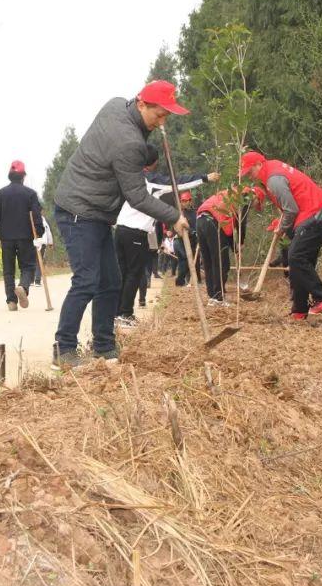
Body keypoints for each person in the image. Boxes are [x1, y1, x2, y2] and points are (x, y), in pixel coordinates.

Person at [51, 80, 192, 369]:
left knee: (111, 282)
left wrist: (146, 144)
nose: (162, 121)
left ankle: (104, 347)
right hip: (79, 210)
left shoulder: (117, 104)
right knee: (87, 280)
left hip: (97, 212)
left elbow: (130, 137)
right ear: (141, 103)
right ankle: (64, 348)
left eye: (167, 115)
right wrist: (174, 216)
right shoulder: (128, 143)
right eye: (159, 114)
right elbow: (137, 196)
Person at [114, 146, 217, 328]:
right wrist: (204, 178)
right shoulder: (152, 181)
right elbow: (178, 183)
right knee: (133, 274)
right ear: (153, 163)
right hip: (135, 231)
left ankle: (116, 313)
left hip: (120, 229)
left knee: (123, 273)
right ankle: (125, 314)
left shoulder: (131, 175)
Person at [240, 151, 322, 320]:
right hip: (311, 213)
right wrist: (282, 222)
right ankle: (299, 310)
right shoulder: (271, 170)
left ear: (259, 164)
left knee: (296, 257)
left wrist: (282, 227)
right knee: (301, 261)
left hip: (317, 212)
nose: (250, 177)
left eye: (250, 172)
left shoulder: (273, 179)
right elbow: (289, 206)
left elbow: (291, 209)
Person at [0, 160, 45, 311]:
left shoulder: (0, 194)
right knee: (28, 266)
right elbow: (37, 216)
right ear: (23, 176)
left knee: (8, 270)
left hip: (6, 237)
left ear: (10, 175)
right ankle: (23, 287)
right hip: (25, 237)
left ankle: (11, 301)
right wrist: (39, 235)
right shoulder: (30, 194)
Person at [173, 191, 199, 287]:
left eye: (186, 200)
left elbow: (194, 228)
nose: (185, 203)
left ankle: (186, 280)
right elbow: (175, 229)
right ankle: (180, 281)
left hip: (192, 240)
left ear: (190, 201)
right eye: (183, 201)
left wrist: (190, 229)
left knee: (189, 261)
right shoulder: (178, 213)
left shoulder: (194, 213)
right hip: (179, 241)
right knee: (184, 259)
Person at [32, 215, 53, 286]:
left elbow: (48, 231)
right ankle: (34, 280)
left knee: (35, 261)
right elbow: (48, 232)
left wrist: (50, 242)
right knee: (37, 261)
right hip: (35, 242)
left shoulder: (42, 220)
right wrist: (50, 242)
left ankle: (35, 280)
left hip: (38, 243)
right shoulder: (42, 220)